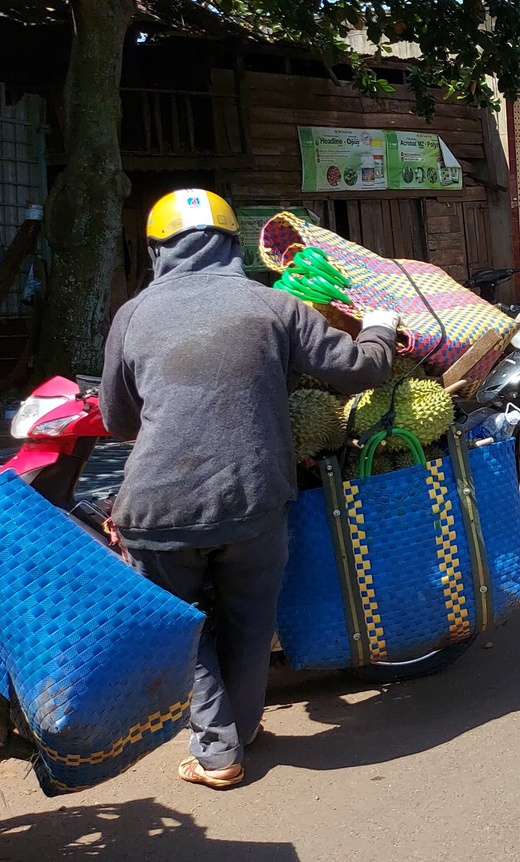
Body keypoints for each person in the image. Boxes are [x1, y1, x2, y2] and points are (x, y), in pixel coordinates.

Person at [100, 190, 398, 790]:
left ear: (156, 251)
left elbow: (117, 421)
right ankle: (240, 730)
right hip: (254, 500)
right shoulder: (274, 305)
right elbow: (362, 368)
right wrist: (382, 329)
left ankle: (216, 748)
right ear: (233, 245)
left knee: (183, 629)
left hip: (157, 510)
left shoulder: (131, 315)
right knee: (250, 619)